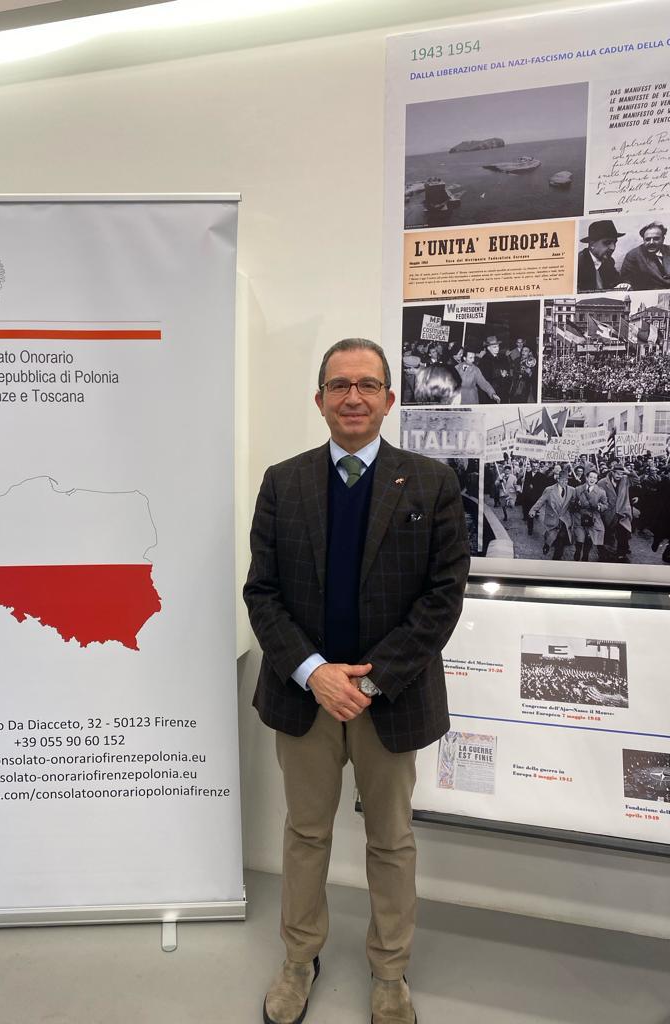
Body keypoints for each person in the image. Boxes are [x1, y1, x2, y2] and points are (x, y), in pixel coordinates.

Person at [243, 338, 470, 1024]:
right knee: (306, 834)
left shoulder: (431, 483)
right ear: (319, 400)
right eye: (339, 385)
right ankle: (298, 958)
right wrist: (314, 672)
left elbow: (442, 599)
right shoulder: (283, 483)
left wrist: (369, 684)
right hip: (305, 696)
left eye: (367, 385)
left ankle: (390, 972)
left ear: (389, 399)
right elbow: (262, 593)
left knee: (391, 841)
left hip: (388, 700)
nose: (353, 397)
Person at [528, 467, 576, 559]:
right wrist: (533, 510)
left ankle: (556, 558)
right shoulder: (549, 490)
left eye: (566, 480)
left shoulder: (572, 490)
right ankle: (547, 544)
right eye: (562, 480)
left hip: (564, 519)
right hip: (553, 517)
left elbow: (573, 502)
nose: (565, 482)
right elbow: (541, 501)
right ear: (558, 479)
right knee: (552, 535)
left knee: (561, 537)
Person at [576, 219, 629, 292]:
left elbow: (617, 281)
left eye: (614, 243)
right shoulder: (578, 263)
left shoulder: (609, 262)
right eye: (607, 243)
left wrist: (623, 285)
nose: (613, 248)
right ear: (592, 245)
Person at [619, 221, 670, 290]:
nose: (651, 242)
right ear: (643, 239)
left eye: (656, 239)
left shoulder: (668, 250)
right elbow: (626, 280)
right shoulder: (633, 256)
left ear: (663, 239)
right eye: (647, 239)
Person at [572, 468, 608, 562]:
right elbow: (572, 502)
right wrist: (576, 504)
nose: (592, 479)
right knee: (580, 538)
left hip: (593, 518)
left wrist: (600, 507)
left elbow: (605, 505)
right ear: (586, 478)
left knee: (589, 538)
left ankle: (585, 555)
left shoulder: (601, 492)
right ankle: (578, 551)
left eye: (595, 478)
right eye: (591, 477)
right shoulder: (578, 489)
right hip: (579, 517)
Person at [477, 335, 511, 402]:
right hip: (491, 394)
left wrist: (506, 374)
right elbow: (485, 379)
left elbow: (507, 370)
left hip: (503, 391)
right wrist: (500, 375)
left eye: (498, 346)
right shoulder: (485, 360)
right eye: (494, 347)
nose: (497, 348)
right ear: (489, 348)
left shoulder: (502, 357)